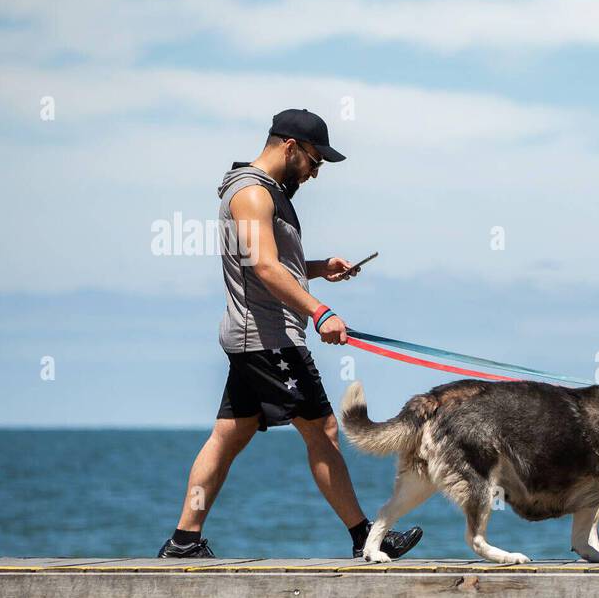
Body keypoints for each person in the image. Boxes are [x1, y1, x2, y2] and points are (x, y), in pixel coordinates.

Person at [157, 109, 422, 560]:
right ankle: (365, 539)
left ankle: (184, 541)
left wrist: (318, 269)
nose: (316, 174)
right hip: (269, 339)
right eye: (316, 162)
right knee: (323, 430)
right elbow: (262, 268)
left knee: (229, 435)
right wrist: (321, 313)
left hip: (255, 338)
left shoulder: (270, 194)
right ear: (290, 147)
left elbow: (272, 263)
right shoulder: (252, 195)